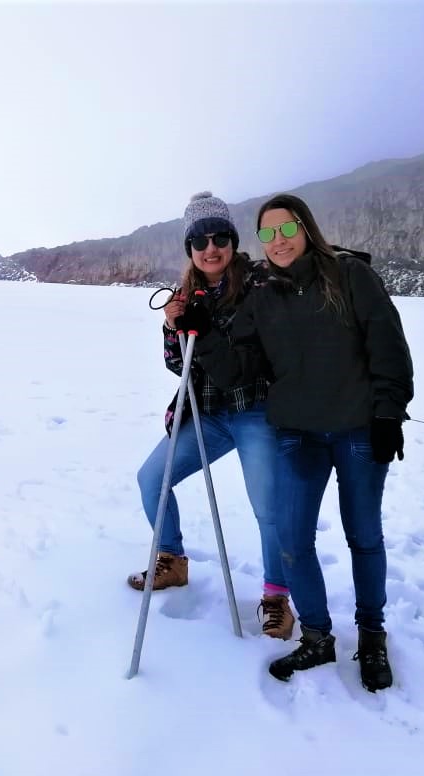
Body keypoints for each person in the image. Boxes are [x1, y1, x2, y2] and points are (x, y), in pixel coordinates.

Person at [194, 193, 414, 691]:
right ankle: (317, 636)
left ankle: (372, 635)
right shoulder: (262, 299)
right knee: (293, 541)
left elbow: (388, 345)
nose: (278, 241)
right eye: (267, 234)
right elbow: (236, 372)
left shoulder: (349, 275)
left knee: (363, 536)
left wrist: (388, 414)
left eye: (286, 229)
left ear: (305, 227)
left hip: (359, 429)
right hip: (298, 434)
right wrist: (201, 333)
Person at [128, 191, 295, 640]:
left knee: (267, 507)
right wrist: (171, 326)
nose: (210, 247)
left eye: (220, 236)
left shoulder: (260, 282)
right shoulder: (187, 292)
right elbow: (177, 363)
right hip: (207, 415)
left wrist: (208, 329)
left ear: (233, 240)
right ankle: (172, 560)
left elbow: (262, 352)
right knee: (152, 479)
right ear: (190, 247)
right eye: (199, 240)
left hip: (255, 411)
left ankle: (276, 596)